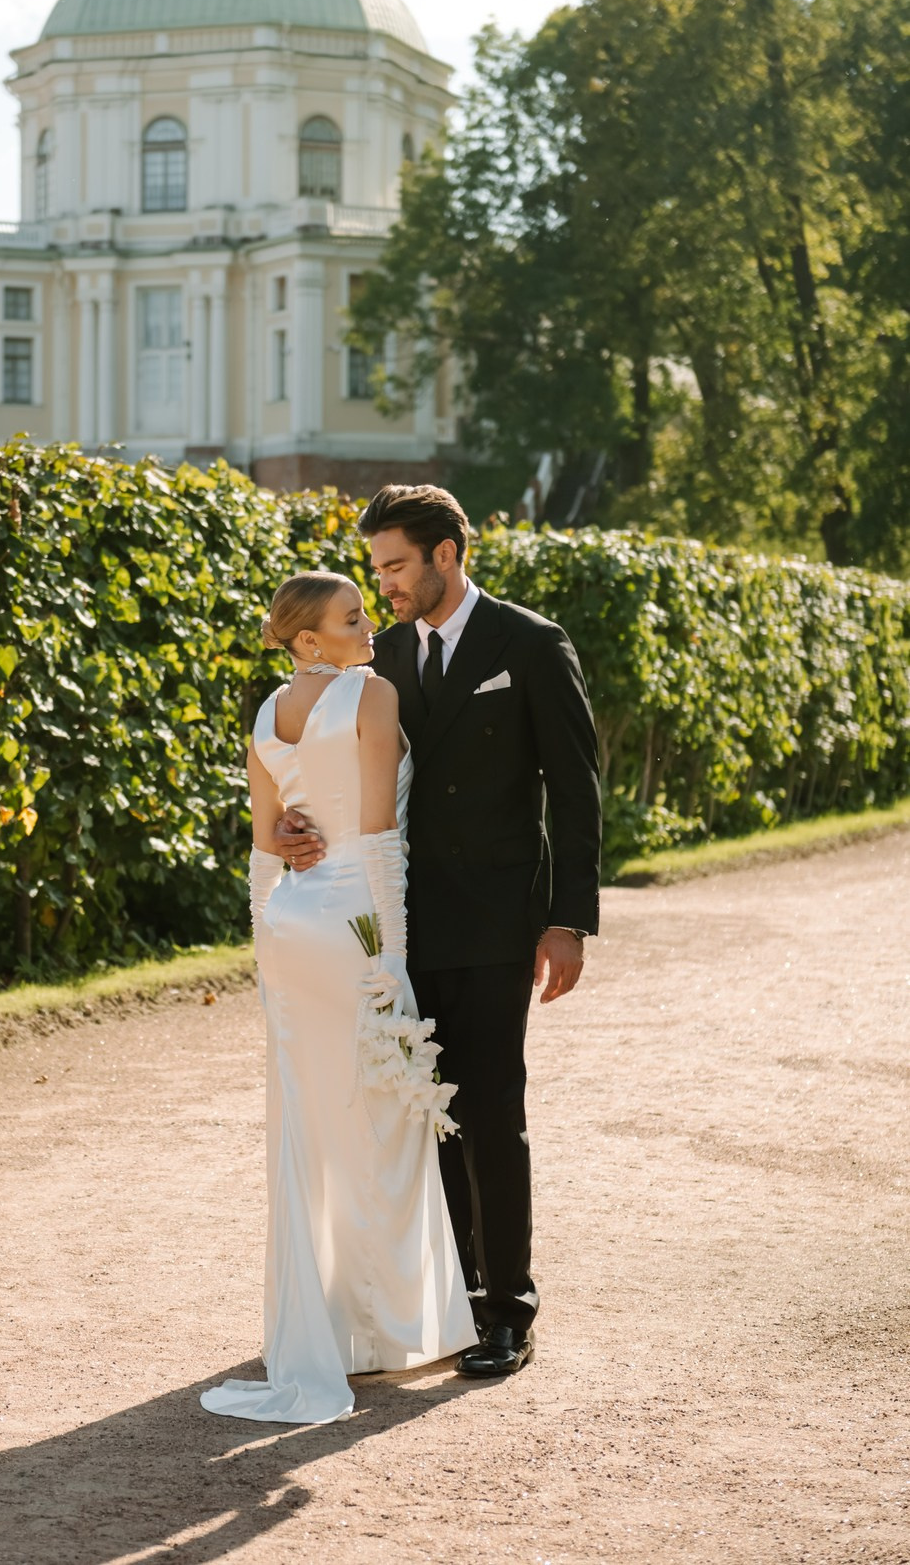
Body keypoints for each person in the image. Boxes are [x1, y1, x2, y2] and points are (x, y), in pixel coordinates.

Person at [274, 484, 601, 1379]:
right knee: (424, 1111)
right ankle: (447, 1299)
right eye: (375, 569)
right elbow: (324, 767)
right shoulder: (377, 662)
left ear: (446, 554)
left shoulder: (531, 645)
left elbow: (574, 790)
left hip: (500, 918)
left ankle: (507, 1310)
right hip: (397, 926)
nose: (382, 586)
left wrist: (568, 920)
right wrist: (293, 831)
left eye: (395, 566)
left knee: (491, 1106)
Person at [200, 571, 476, 1425]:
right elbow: (379, 839)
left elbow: (261, 849)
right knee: (381, 1119)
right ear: (308, 641)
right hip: (354, 922)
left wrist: (262, 950)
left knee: (308, 1124)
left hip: (291, 928)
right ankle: (385, 1332)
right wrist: (391, 957)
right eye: (351, 619)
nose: (369, 627)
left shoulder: (263, 713)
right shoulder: (372, 694)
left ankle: (319, 1322)